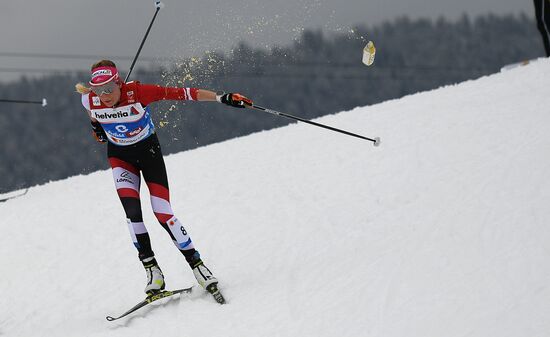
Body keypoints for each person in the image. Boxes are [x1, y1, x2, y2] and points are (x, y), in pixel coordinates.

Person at [75, 60, 253, 303]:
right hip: (120, 158)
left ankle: (198, 265)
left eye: (109, 88)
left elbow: (184, 94)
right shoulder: (90, 100)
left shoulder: (138, 93)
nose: (104, 95)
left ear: (119, 83)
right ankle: (152, 271)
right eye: (98, 90)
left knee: (163, 213)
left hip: (149, 155)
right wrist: (96, 128)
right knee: (133, 214)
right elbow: (92, 113)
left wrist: (223, 97)